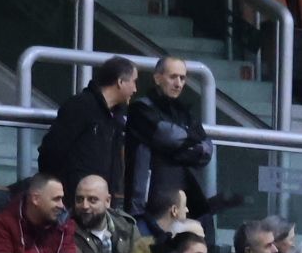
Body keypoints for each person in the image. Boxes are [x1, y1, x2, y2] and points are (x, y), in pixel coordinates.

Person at [124, 56, 211, 215]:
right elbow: (168, 136)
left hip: (187, 198)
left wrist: (170, 150)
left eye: (182, 78)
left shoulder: (185, 112)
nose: (178, 83)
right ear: (157, 78)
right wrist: (189, 144)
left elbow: (207, 150)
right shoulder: (140, 109)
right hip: (149, 201)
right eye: (173, 77)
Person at [39, 56, 135, 196]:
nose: (135, 89)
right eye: (134, 81)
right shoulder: (80, 106)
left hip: (104, 200)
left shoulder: (117, 118)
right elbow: (52, 150)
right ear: (120, 82)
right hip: (73, 198)